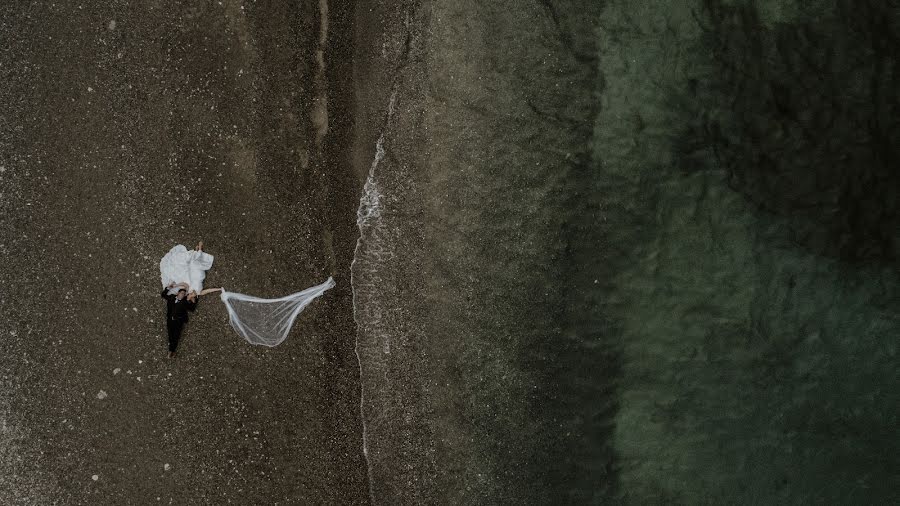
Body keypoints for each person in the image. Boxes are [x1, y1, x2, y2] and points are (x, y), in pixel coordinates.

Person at [161, 282, 197, 358]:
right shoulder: (171, 297)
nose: (182, 295)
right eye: (181, 293)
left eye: (184, 294)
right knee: (170, 335)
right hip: (170, 320)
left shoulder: (184, 302)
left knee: (176, 336)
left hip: (179, 321)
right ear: (178, 293)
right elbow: (163, 295)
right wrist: (168, 288)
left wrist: (193, 300)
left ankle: (171, 351)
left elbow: (192, 308)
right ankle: (172, 350)